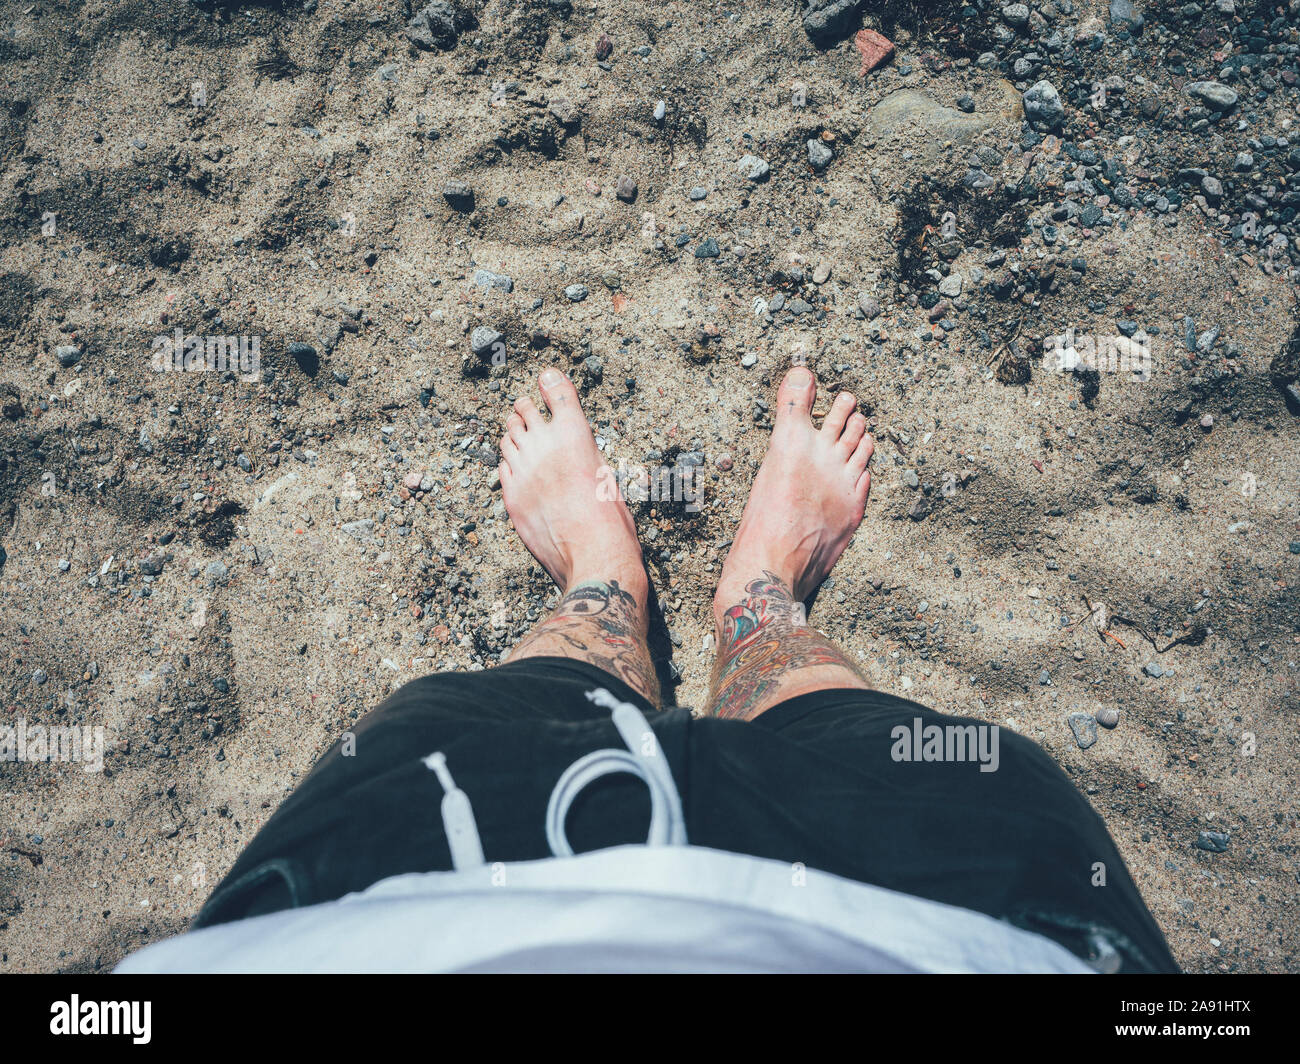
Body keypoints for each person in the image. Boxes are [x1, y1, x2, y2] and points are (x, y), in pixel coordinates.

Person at [117, 367, 1178, 973]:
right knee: (858, 740)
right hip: (968, 925)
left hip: (367, 911)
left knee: (497, 719)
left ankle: (603, 580)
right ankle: (757, 599)